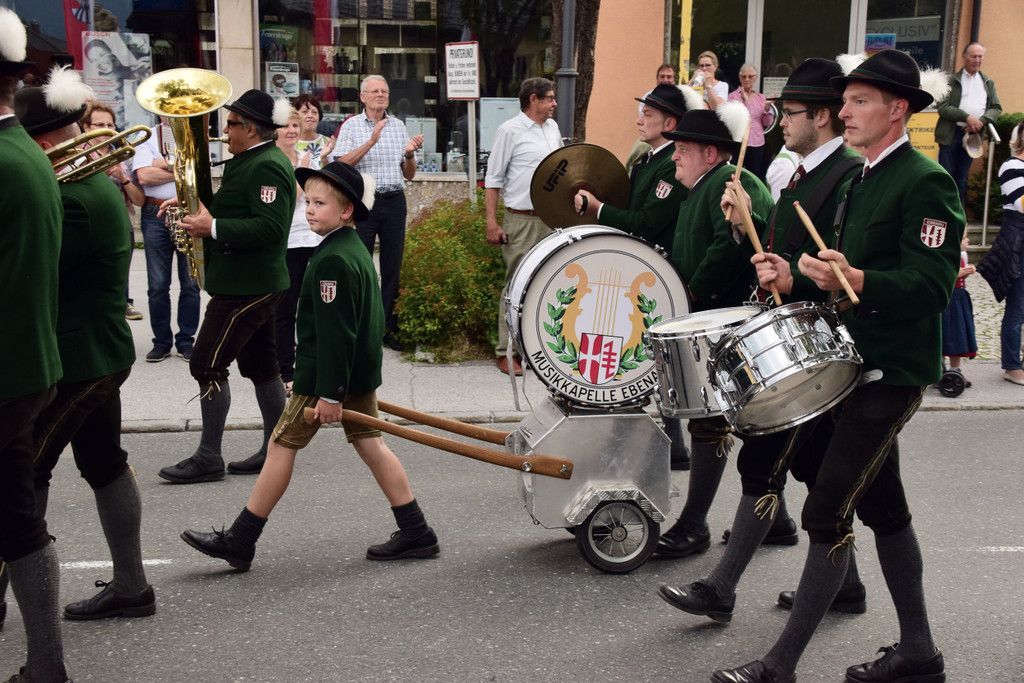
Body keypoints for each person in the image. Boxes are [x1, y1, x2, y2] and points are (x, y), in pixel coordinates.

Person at [713, 49, 962, 682]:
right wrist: (794, 276)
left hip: (892, 370)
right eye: (844, 101)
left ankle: (780, 666)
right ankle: (919, 653)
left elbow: (932, 286)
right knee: (885, 510)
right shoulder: (863, 179)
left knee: (827, 511)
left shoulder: (925, 180)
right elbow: (838, 278)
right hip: (851, 362)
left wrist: (858, 278)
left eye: (858, 101)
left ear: (897, 109)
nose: (844, 112)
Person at [657, 58, 869, 624]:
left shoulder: (847, 174)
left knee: (768, 463)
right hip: (795, 335)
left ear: (820, 116)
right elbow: (778, 244)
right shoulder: (803, 172)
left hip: (815, 344)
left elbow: (839, 262)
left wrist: (790, 275)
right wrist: (744, 227)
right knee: (812, 472)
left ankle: (721, 588)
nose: (777, 123)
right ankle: (846, 585)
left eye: (789, 112)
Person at [180, 161, 439, 568]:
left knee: (281, 445)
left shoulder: (332, 260)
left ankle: (241, 540)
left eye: (320, 204)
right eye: (309, 203)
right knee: (371, 445)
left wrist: (330, 394)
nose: (310, 211)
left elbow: (337, 334)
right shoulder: (350, 248)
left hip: (326, 377)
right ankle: (416, 530)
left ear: (347, 210)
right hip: (353, 374)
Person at [14, 68, 155, 625]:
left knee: (24, 475)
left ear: (43, 139)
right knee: (103, 462)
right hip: (96, 350)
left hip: (78, 358)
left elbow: (32, 274)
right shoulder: (87, 184)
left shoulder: (71, 196)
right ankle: (132, 586)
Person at [652, 102, 776, 561]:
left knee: (710, 423)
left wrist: (690, 294)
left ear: (710, 153)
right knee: (754, 424)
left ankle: (694, 525)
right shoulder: (702, 189)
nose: (673, 156)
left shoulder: (736, 184)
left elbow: (731, 248)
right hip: (708, 316)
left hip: (726, 320)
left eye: (682, 149)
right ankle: (777, 520)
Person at [156, 90, 295, 483]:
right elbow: (238, 210)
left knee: (206, 364)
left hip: (248, 285)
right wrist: (191, 209)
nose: (224, 131)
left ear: (251, 129)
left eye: (231, 124)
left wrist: (212, 226)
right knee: (263, 367)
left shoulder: (267, 166)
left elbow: (270, 228)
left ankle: (208, 457)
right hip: (246, 282)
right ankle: (276, 451)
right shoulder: (249, 161)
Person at [573, 83, 700, 471]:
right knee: (648, 358)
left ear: (670, 123)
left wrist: (598, 209)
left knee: (650, 357)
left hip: (657, 273)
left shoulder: (669, 167)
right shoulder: (647, 160)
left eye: (649, 113)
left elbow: (645, 223)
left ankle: (665, 442)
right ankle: (671, 444)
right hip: (639, 270)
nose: (640, 119)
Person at [0, 16, 68, 679]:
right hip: (25, 364)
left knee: (18, 516)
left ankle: (46, 663)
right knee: (16, 512)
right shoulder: (24, 150)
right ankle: (46, 661)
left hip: (8, 369)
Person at [331, 75, 423, 352]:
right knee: (360, 266)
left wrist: (409, 155)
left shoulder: (398, 126)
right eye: (375, 91)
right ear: (363, 97)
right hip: (364, 203)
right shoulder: (351, 126)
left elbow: (409, 175)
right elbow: (340, 164)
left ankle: (387, 328)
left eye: (384, 91)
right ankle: (360, 326)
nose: (381, 95)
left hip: (394, 201)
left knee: (392, 267)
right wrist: (371, 141)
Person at [485, 76, 562, 376]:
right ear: (533, 99)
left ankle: (537, 348)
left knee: (547, 284)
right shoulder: (509, 130)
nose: (555, 103)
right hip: (520, 219)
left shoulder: (552, 128)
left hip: (551, 218)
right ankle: (506, 353)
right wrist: (492, 222)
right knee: (516, 285)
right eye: (550, 98)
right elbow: (493, 180)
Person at [132, 115, 201, 362]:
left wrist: (161, 165)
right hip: (155, 212)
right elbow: (144, 177)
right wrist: (181, 169)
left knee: (191, 282)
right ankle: (161, 342)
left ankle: (186, 340)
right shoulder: (147, 136)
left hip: (188, 210)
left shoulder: (195, 136)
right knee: (158, 284)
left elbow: (200, 172)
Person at [273, 107, 322, 404]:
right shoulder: (274, 162)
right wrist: (300, 174)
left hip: (312, 239)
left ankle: (308, 365)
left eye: (295, 125)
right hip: (288, 242)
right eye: (286, 126)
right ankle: (285, 371)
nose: (292, 131)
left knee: (311, 308)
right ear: (275, 130)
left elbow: (318, 198)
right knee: (286, 309)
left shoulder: (307, 157)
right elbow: (292, 199)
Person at [81, 101, 146, 321]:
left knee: (120, 272)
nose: (107, 129)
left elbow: (139, 200)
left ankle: (122, 305)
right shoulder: (77, 155)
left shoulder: (123, 155)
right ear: (86, 127)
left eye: (110, 125)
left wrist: (122, 177)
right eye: (100, 125)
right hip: (89, 224)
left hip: (121, 223)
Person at [977, 119, 1024, 385]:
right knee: (1017, 306)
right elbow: (1022, 203)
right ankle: (1012, 366)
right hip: (1018, 245)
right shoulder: (1012, 166)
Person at [935, 42, 1001, 207]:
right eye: (973, 56)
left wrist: (981, 122)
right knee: (945, 177)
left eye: (980, 56)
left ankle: (959, 216)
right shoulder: (951, 80)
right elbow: (943, 107)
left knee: (962, 178)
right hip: (951, 134)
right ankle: (942, 213)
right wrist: (967, 117)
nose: (977, 60)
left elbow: (996, 108)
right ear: (964, 57)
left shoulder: (988, 82)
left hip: (973, 136)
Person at [940, 235, 977, 385]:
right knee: (946, 335)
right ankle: (940, 369)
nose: (968, 240)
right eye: (964, 237)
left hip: (959, 298)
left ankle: (955, 370)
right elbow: (946, 275)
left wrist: (965, 272)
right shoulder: (946, 256)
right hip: (949, 300)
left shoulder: (961, 256)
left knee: (958, 336)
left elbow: (960, 276)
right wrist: (961, 272)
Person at [728, 64, 773, 180]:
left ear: (756, 77)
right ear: (739, 78)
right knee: (735, 175)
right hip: (739, 141)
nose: (747, 79)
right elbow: (734, 119)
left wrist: (767, 110)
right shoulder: (733, 97)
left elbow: (767, 123)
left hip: (757, 142)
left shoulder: (761, 98)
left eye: (750, 76)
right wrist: (746, 102)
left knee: (754, 176)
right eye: (744, 76)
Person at [293, 93, 335, 166]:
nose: (310, 116)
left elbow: (333, 172)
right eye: (305, 112)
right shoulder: (289, 143)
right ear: (295, 115)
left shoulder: (328, 143)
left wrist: (324, 159)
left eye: (314, 112)